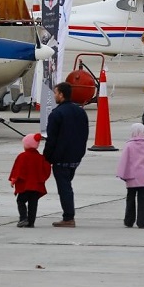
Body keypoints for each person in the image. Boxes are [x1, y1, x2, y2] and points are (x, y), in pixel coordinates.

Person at [43, 82, 89, 227]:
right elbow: (85, 134)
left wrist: (46, 156)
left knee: (64, 188)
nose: (54, 96)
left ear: (61, 94)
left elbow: (51, 139)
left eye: (56, 93)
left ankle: (68, 217)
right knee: (67, 185)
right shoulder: (80, 112)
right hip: (76, 156)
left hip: (61, 158)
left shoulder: (56, 114)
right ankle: (68, 216)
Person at [9, 132, 51, 228]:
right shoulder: (40, 158)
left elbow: (18, 169)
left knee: (21, 201)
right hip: (36, 187)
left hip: (25, 186)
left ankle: (23, 218)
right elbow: (46, 169)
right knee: (33, 204)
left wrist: (14, 179)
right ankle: (31, 222)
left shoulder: (22, 156)